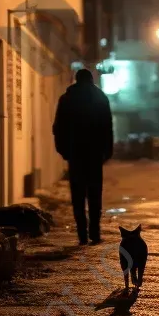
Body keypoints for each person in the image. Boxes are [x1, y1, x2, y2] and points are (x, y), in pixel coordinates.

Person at [53, 68, 114, 244]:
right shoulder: (101, 98)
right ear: (91, 79)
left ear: (76, 80)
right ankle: (95, 232)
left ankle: (82, 234)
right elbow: (107, 127)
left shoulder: (67, 99)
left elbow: (58, 127)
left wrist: (63, 150)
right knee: (95, 194)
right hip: (94, 154)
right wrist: (107, 151)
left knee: (78, 196)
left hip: (75, 153)